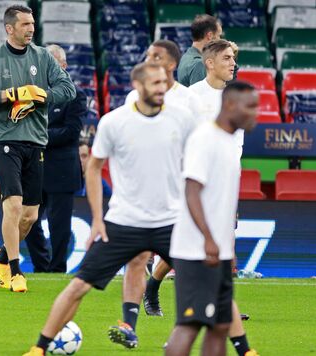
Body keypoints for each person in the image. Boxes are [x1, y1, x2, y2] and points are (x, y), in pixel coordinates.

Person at [22, 62, 196, 356]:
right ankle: (39, 348)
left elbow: (197, 166)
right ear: (138, 86)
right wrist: (97, 219)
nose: (162, 88)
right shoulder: (114, 122)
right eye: (155, 83)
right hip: (124, 222)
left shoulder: (183, 119)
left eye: (165, 83)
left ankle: (243, 349)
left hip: (170, 222)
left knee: (209, 285)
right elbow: (93, 167)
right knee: (78, 287)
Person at [105, 39, 203, 349]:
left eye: (155, 56)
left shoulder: (188, 101)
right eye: (147, 55)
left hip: (178, 197)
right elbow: (125, 137)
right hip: (141, 197)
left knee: (193, 268)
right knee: (136, 260)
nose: (148, 60)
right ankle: (129, 325)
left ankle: (191, 333)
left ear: (171, 65)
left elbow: (199, 149)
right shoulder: (134, 96)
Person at [0, 5, 75, 292]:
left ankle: (2, 258)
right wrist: (10, 95)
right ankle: (16, 271)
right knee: (13, 204)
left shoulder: (42, 57)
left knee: (29, 216)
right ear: (9, 28)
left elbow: (69, 91)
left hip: (35, 141)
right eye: (25, 24)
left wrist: (41, 95)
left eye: (32, 23)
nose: (31, 28)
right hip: (4, 139)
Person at [165, 81, 259, 356]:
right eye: (250, 106)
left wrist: (224, 245)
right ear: (230, 105)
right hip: (196, 250)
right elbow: (191, 191)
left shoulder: (229, 141)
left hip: (217, 249)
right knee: (190, 324)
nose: (256, 113)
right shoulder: (204, 138)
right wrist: (208, 239)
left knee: (219, 325)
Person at [24, 44, 86, 273]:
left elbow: (71, 132)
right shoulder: (31, 93)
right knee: (27, 220)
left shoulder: (76, 94)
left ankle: (57, 269)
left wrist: (37, 135)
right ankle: (41, 265)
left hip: (61, 171)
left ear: (64, 65)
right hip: (34, 168)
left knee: (60, 227)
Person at [177, 14, 222, 87]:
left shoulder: (186, 56)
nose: (220, 39)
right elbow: (201, 97)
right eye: (218, 35)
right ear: (210, 35)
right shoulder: (199, 64)